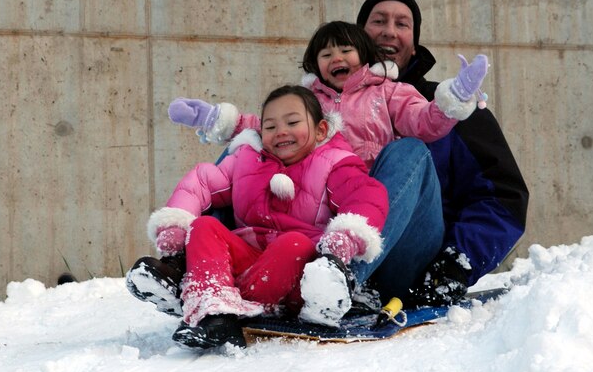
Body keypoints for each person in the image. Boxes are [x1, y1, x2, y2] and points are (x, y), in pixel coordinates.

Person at [128, 21, 488, 318]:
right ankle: (191, 266)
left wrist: (455, 96)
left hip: (376, 227)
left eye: (345, 50)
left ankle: (340, 278)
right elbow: (264, 125)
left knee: (409, 150)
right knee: (244, 152)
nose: (336, 58)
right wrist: (218, 119)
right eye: (326, 53)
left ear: (364, 55)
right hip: (319, 209)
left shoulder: (389, 93)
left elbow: (426, 122)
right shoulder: (305, 104)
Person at [139, 85, 389, 349]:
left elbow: (365, 194)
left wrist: (346, 237)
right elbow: (202, 182)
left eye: (292, 122)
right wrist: (176, 223)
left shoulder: (334, 162)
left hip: (293, 273)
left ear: (321, 130)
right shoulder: (248, 159)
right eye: (270, 127)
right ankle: (212, 306)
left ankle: (219, 306)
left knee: (294, 243)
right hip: (248, 257)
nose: (280, 131)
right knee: (204, 226)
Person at [356, 0, 529, 305]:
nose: (389, 31)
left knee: (409, 153)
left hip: (408, 264)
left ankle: (344, 276)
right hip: (324, 250)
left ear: (413, 41)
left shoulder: (451, 108)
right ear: (358, 35)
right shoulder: (323, 107)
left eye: (402, 24)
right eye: (379, 21)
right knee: (250, 150)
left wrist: (454, 264)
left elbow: (503, 197)